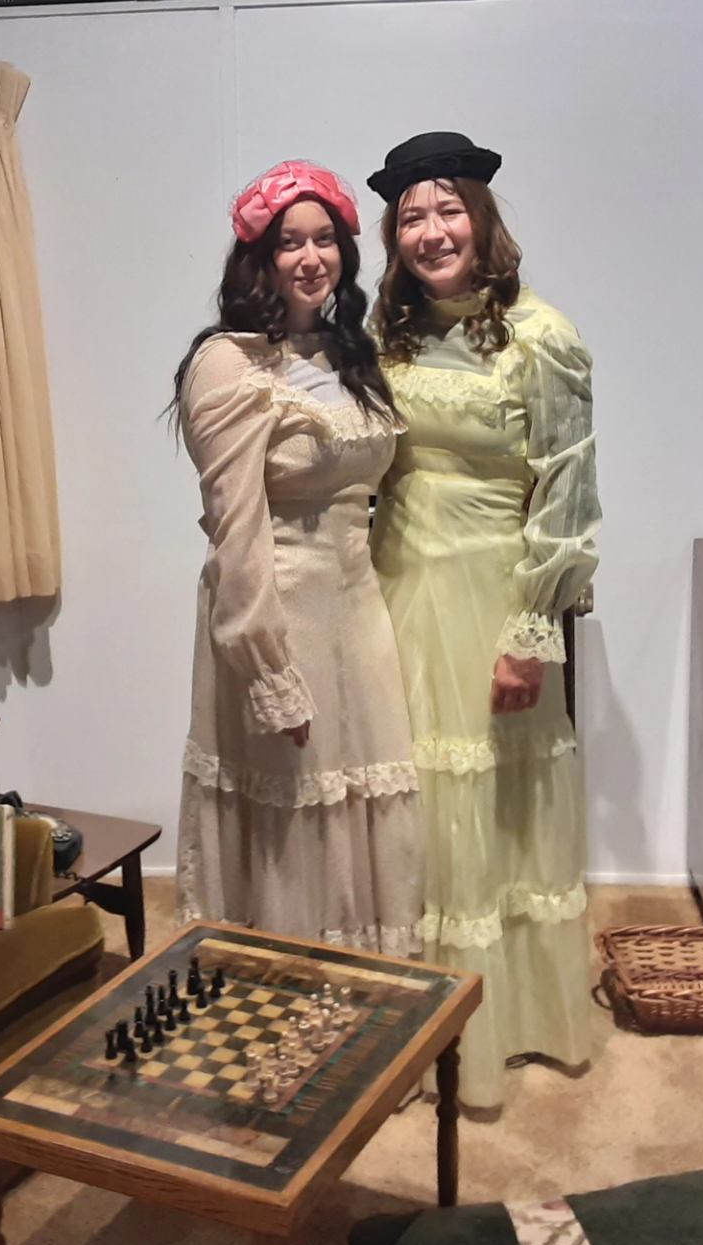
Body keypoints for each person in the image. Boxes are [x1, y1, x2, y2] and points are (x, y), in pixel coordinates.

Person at [367, 131, 602, 1110]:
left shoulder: (542, 335)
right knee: (409, 801)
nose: (432, 233)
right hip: (392, 589)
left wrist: (529, 633)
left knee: (487, 809)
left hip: (486, 592)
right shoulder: (388, 332)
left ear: (483, 218)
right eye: (412, 218)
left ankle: (499, 1028)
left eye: (447, 210)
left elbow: (567, 493)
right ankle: (406, 1022)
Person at [172, 161, 421, 953]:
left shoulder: (351, 354)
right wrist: (267, 671)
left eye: (326, 240)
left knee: (369, 794)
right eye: (290, 243)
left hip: (359, 607)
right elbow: (234, 529)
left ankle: (369, 998)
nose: (312, 258)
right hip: (278, 614)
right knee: (294, 812)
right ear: (259, 258)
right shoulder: (228, 364)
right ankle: (290, 1002)